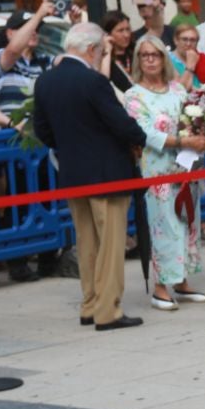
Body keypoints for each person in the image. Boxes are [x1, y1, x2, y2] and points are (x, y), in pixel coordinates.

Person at [34, 22, 159, 331]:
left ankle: (90, 304)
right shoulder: (93, 81)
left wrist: (72, 149)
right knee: (111, 244)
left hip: (74, 174)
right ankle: (107, 310)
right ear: (91, 50)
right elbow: (121, 123)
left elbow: (43, 130)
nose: (100, 56)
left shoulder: (46, 81)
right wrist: (139, 139)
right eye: (101, 51)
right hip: (107, 173)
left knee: (87, 242)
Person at [124, 35, 205, 312]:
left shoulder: (177, 90)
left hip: (186, 167)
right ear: (138, 60)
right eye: (144, 55)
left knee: (187, 222)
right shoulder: (134, 95)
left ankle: (182, 280)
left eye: (155, 54)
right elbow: (146, 133)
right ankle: (161, 285)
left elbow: (192, 118)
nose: (150, 59)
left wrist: (200, 135)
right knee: (164, 226)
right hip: (158, 170)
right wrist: (184, 141)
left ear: (164, 58)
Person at [0, 3, 56, 112]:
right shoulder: (1, 56)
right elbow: (13, 51)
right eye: (26, 28)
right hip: (12, 127)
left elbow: (72, 62)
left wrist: (76, 24)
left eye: (36, 28)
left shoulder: (45, 61)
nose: (33, 32)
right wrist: (39, 15)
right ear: (10, 34)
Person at [101, 11, 135, 91]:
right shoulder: (104, 58)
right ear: (108, 34)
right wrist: (107, 50)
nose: (126, 35)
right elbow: (103, 80)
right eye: (120, 31)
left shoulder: (136, 52)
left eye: (128, 29)